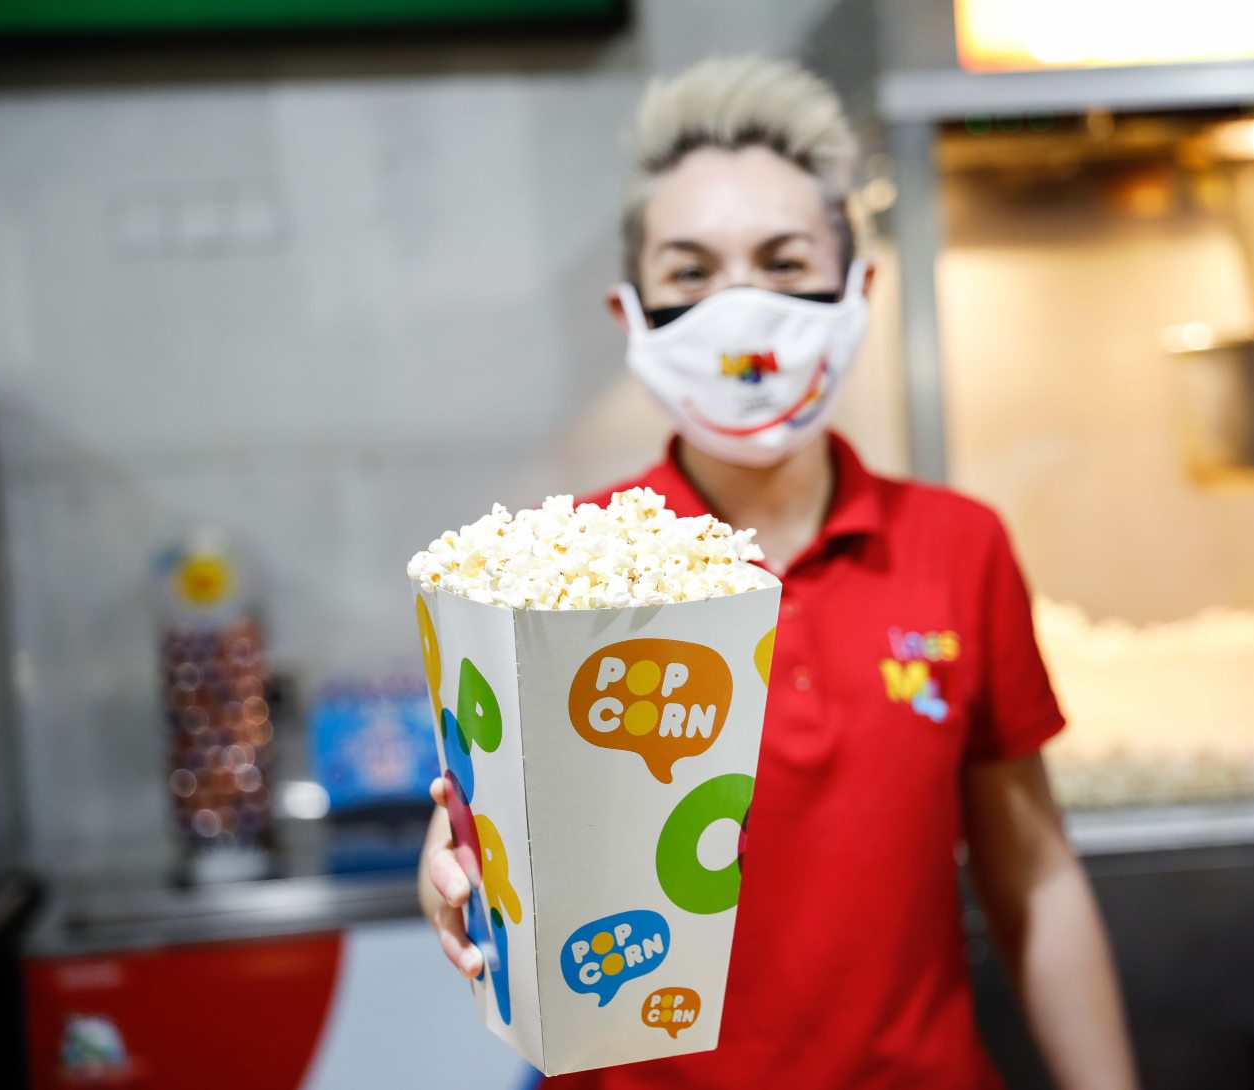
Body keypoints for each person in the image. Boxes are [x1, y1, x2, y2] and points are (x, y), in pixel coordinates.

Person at [418, 56, 1138, 1090]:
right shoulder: (557, 566)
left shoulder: (956, 546)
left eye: (784, 259)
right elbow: (460, 830)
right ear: (631, 315)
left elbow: (1033, 871)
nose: (740, 308)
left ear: (859, 290)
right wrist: (443, 881)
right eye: (690, 272)